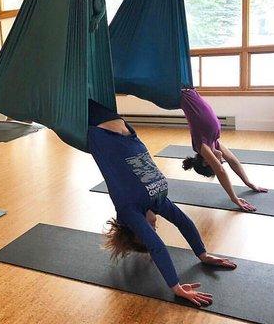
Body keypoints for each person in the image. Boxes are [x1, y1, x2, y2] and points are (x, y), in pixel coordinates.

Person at [87, 99, 236, 307]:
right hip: (123, 129)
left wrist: (175, 286)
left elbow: (156, 247)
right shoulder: (159, 202)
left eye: (149, 228)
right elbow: (184, 223)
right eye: (155, 229)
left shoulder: (128, 211)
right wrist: (202, 254)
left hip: (101, 131)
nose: (155, 226)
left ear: (134, 228)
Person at [180, 88, 267, 212]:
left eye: (219, 161)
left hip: (184, 92)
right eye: (221, 161)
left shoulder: (202, 146)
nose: (222, 161)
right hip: (188, 92)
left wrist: (234, 198)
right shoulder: (214, 143)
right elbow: (233, 161)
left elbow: (220, 171)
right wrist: (249, 183)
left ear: (206, 162)